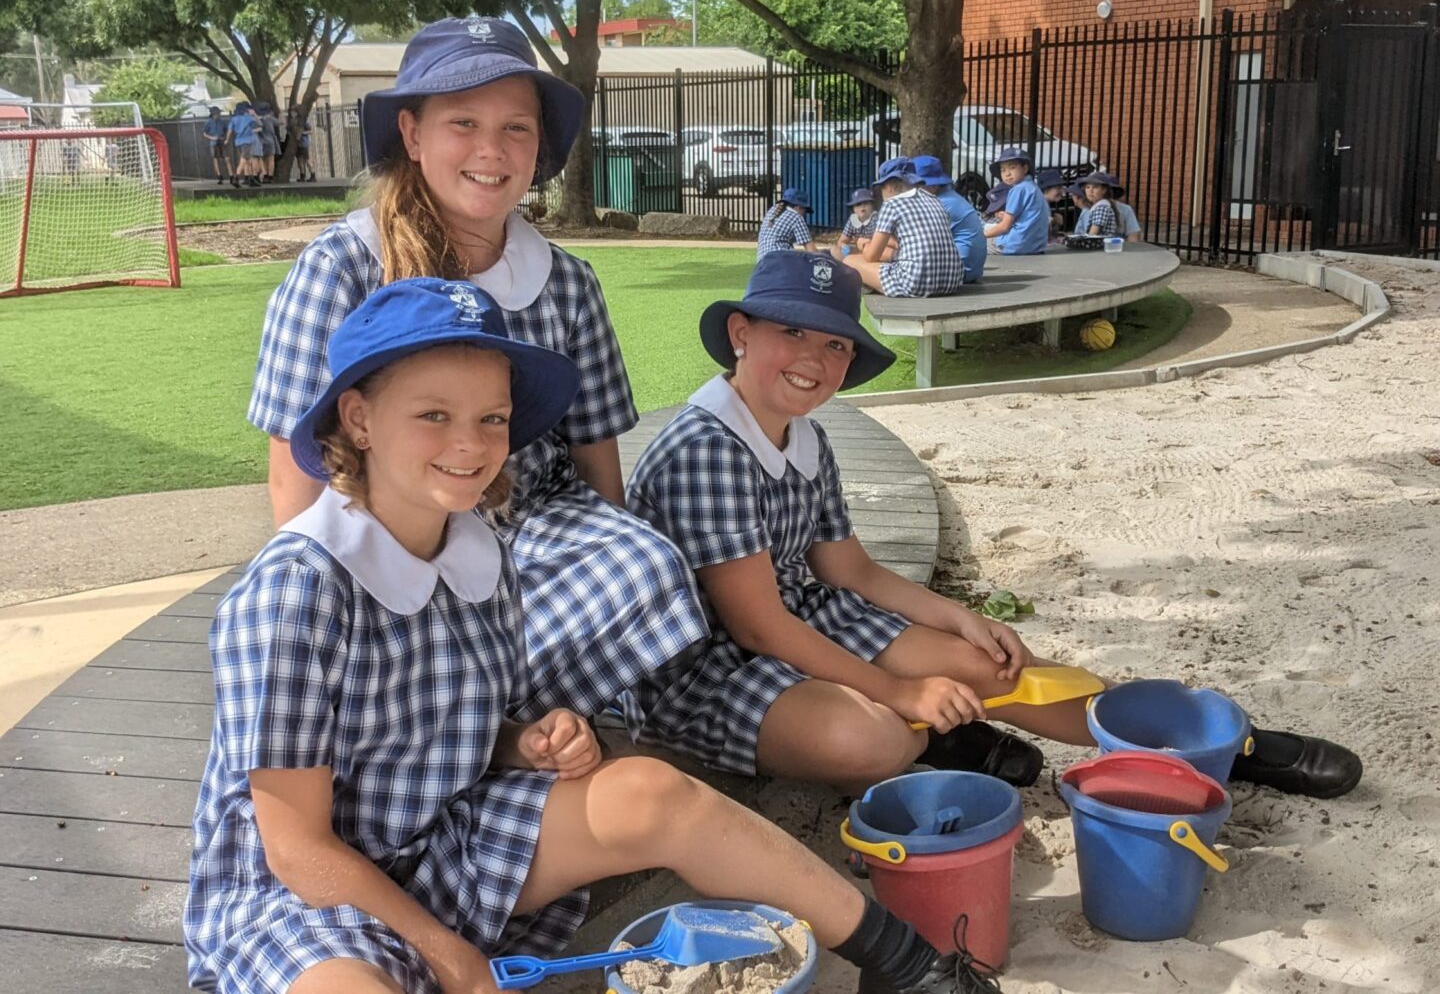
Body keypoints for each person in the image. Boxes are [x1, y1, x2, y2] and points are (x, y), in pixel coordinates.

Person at [187, 276, 961, 994]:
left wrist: (525, 741)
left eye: (492, 419)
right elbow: (296, 850)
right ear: (357, 418)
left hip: (446, 836)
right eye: (433, 415)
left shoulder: (481, 549)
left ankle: (907, 962)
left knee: (652, 789)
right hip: (310, 895)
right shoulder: (297, 588)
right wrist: (449, 952)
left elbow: (461, 727)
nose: (471, 443)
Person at [625, 250, 1366, 802]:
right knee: (877, 735)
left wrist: (961, 620)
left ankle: (1219, 744)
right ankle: (941, 734)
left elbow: (848, 571)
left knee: (998, 667)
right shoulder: (705, 448)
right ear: (741, 333)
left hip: (807, 616)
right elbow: (757, 629)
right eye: (794, 332)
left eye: (836, 344)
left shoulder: (804, 431)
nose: (815, 360)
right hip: (710, 664)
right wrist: (898, 690)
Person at [247, 16, 710, 726]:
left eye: (516, 128)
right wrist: (319, 609)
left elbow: (594, 454)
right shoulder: (342, 268)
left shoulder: (566, 282)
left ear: (539, 144)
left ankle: (492, 728)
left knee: (646, 569)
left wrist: (615, 544)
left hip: (534, 524)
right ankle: (461, 725)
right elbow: (295, 473)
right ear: (412, 134)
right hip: (391, 527)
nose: (491, 151)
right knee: (410, 647)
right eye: (463, 122)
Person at [844, 159, 965, 297]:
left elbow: (872, 256)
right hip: (952, 281)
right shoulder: (934, 200)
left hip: (915, 282)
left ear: (888, 186)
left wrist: (864, 245)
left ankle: (873, 285)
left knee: (851, 260)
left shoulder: (892, 205)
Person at [910, 155, 985, 285]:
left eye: (916, 186)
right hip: (972, 269)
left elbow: (920, 242)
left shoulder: (938, 204)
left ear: (932, 186)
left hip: (957, 271)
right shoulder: (950, 198)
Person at [982, 146, 1048, 255]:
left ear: (1025, 169)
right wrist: (1005, 215)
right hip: (1036, 245)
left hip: (1016, 244)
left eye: (1012, 168)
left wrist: (981, 236)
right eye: (1003, 170)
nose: (1007, 174)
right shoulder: (1033, 187)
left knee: (974, 242)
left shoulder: (1017, 189)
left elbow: (1004, 227)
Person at [1075, 170, 1142, 242]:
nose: (1090, 191)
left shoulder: (1104, 207)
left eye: (1096, 187)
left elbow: (1133, 235)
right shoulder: (1088, 209)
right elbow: (1079, 233)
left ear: (1104, 190)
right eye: (1087, 187)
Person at [757, 187, 818, 257]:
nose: (804, 214)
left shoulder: (773, 210)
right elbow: (811, 250)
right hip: (780, 260)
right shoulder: (796, 217)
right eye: (804, 210)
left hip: (762, 261)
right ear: (798, 207)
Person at [830, 187, 877, 260]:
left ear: (872, 206)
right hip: (858, 251)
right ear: (853, 209)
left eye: (866, 203)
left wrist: (867, 242)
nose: (862, 206)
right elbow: (841, 241)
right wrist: (846, 248)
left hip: (873, 251)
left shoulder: (876, 218)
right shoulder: (853, 219)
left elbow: (880, 242)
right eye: (858, 204)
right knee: (834, 250)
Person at [226, 102, 260, 189]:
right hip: (247, 140)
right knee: (244, 159)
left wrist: (227, 139)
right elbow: (258, 126)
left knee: (248, 160)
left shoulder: (233, 119)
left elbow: (230, 131)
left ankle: (250, 179)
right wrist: (255, 115)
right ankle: (236, 177)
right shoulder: (248, 118)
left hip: (238, 141)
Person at [204, 106, 231, 185]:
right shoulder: (208, 122)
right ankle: (219, 176)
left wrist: (225, 138)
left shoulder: (222, 122)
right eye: (217, 113)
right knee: (216, 159)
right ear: (213, 114)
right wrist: (212, 137)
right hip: (213, 142)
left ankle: (231, 175)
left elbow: (226, 130)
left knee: (227, 158)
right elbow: (205, 133)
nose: (219, 115)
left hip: (221, 141)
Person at [256, 102, 282, 183]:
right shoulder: (270, 118)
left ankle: (265, 175)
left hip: (261, 141)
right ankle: (270, 176)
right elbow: (280, 123)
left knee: (263, 159)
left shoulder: (257, 119)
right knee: (271, 159)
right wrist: (280, 113)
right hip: (270, 140)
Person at [295, 117, 316, 182]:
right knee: (299, 160)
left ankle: (312, 175)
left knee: (306, 160)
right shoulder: (294, 122)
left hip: (303, 144)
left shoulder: (304, 122)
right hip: (297, 144)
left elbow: (311, 131)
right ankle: (302, 175)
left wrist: (303, 133)